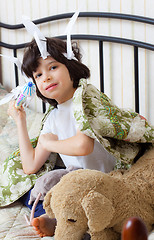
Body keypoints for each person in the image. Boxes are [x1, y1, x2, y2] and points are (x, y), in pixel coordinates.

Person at [8, 37, 117, 237]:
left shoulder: (86, 100)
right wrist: (20, 121)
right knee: (33, 192)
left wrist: (49, 142)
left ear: (71, 67)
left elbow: (84, 146)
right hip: (76, 184)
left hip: (107, 181)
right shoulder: (53, 117)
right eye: (38, 74)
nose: (46, 77)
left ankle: (69, 224)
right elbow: (30, 165)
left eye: (53, 67)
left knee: (92, 208)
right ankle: (59, 221)